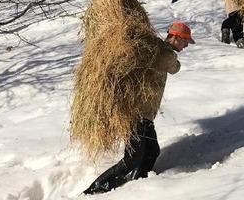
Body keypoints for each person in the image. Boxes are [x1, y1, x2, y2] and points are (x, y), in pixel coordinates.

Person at [83, 22, 194, 194]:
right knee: (132, 159)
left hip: (145, 116)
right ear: (176, 37)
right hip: (136, 115)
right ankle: (93, 192)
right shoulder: (163, 52)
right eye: (185, 41)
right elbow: (175, 68)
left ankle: (139, 185)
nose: (186, 46)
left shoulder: (155, 48)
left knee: (152, 151)